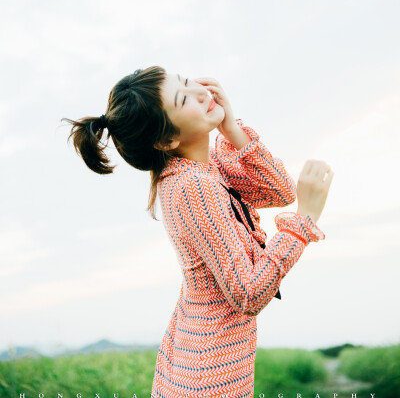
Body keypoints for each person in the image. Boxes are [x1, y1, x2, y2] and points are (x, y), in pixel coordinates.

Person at [62, 65, 334, 398]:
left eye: (188, 81)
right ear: (166, 139)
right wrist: (303, 221)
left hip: (204, 360)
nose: (201, 93)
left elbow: (278, 192)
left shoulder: (205, 170)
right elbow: (248, 292)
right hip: (210, 373)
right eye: (183, 98)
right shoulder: (193, 187)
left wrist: (231, 127)